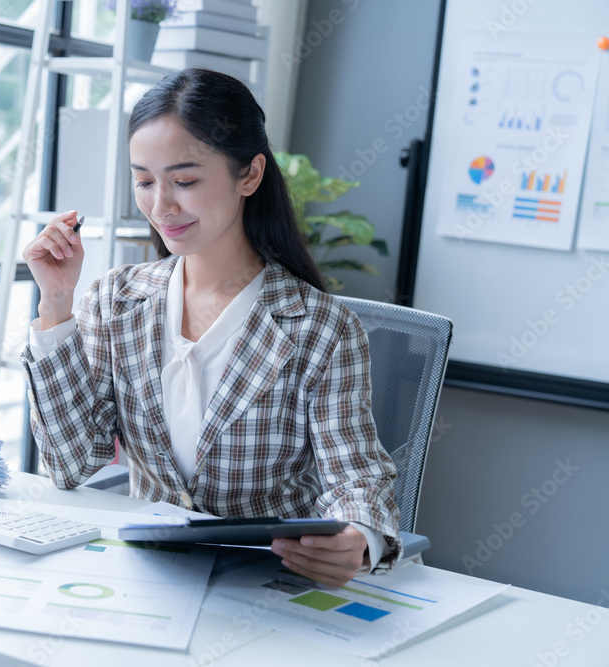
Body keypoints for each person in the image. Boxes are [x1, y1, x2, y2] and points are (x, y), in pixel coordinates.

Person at [20, 68, 399, 587]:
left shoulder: (319, 327)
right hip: (152, 578)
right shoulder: (117, 300)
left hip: (269, 583)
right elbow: (70, 464)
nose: (160, 205)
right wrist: (56, 303)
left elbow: (355, 474)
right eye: (144, 181)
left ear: (249, 175)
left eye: (185, 181)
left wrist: (360, 537)